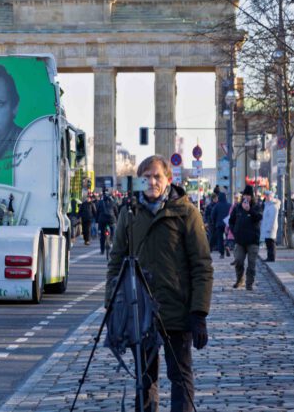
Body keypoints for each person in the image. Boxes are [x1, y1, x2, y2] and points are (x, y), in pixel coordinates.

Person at [106, 155, 213, 412]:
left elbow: (202, 265)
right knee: (144, 380)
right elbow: (116, 262)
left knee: (180, 377)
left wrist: (199, 312)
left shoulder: (187, 213)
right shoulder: (129, 213)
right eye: (146, 177)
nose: (152, 182)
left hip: (177, 309)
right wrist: (111, 305)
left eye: (157, 177)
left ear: (168, 179)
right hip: (140, 310)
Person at [229, 185, 263, 290]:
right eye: (245, 195)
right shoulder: (238, 207)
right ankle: (240, 280)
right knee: (238, 261)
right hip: (240, 241)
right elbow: (231, 221)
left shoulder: (256, 206)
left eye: (249, 195)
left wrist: (249, 210)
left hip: (253, 240)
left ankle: (249, 283)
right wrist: (235, 231)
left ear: (252, 197)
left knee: (251, 264)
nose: (246, 197)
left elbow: (259, 217)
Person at [96, 189, 118, 255]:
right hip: (111, 219)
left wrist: (97, 220)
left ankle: (102, 250)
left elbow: (97, 212)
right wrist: (117, 219)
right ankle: (111, 241)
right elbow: (116, 211)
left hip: (102, 220)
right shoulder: (113, 202)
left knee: (102, 236)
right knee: (113, 231)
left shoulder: (100, 202)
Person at [260, 190, 280, 262]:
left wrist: (269, 228)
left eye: (268, 196)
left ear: (271, 197)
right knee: (268, 243)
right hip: (267, 226)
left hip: (270, 227)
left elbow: (272, 219)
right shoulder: (268, 205)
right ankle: (269, 256)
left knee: (271, 243)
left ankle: (272, 257)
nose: (266, 197)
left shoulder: (273, 206)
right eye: (266, 196)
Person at [210, 190, 231, 259]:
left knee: (220, 239)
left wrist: (214, 222)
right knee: (228, 237)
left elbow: (213, 215)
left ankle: (222, 253)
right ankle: (227, 246)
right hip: (227, 224)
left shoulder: (217, 206)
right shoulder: (229, 205)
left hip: (219, 224)